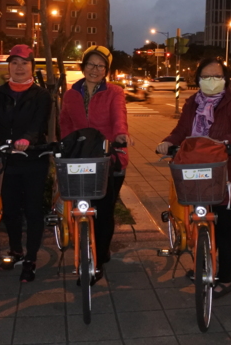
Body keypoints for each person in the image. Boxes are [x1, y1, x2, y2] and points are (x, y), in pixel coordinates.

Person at [156, 57, 231, 299]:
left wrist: (219, 143)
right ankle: (203, 264)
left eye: (217, 76)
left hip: (229, 175)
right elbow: (182, 130)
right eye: (206, 76)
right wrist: (168, 142)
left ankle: (226, 279)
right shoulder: (192, 102)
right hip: (198, 173)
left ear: (225, 79)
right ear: (198, 79)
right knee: (201, 222)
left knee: (226, 230)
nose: (211, 81)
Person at [0, 44, 51, 283]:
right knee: (10, 209)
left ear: (32, 67)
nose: (19, 67)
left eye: (24, 63)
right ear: (8, 67)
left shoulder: (41, 95)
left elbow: (38, 124)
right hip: (6, 160)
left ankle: (31, 259)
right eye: (14, 62)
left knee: (33, 209)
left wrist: (27, 139)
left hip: (33, 159)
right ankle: (16, 250)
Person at [59, 45, 132, 285]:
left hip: (108, 157)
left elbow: (119, 117)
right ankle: (85, 245)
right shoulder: (71, 94)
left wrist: (120, 136)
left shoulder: (114, 92)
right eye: (91, 64)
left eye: (101, 66)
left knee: (104, 212)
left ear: (106, 71)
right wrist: (65, 145)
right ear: (83, 66)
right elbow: (66, 123)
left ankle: (98, 259)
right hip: (80, 158)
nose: (95, 69)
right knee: (82, 208)